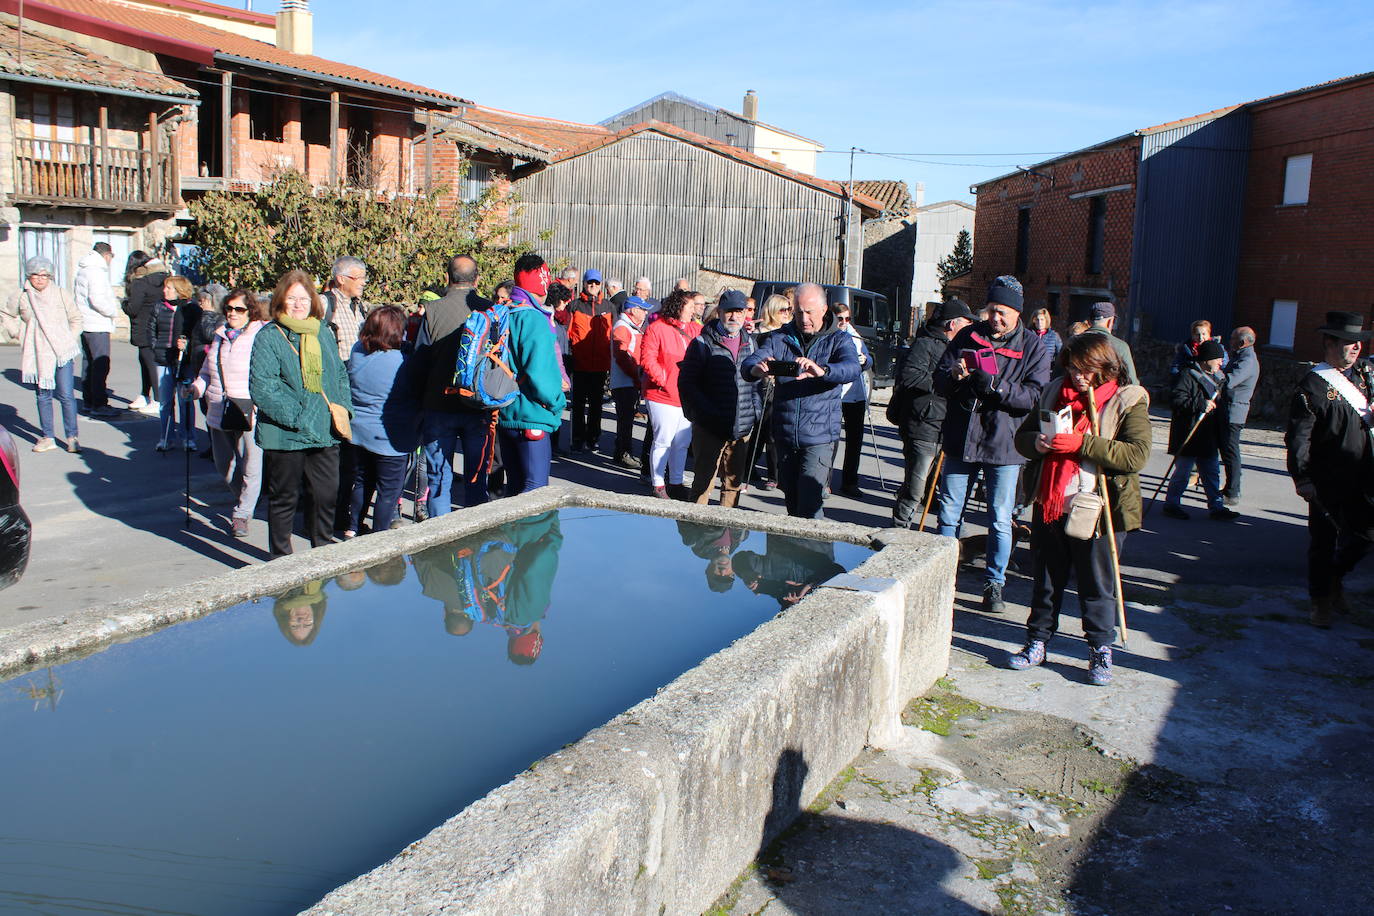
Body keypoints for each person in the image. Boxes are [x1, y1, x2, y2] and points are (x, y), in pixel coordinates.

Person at [1008, 333, 1151, 686]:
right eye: (1073, 368)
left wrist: (1083, 443)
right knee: (1046, 579)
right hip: (1051, 500)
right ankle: (1037, 641)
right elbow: (1022, 438)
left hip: (1098, 507)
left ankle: (1100, 649)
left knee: (1096, 582)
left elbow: (1136, 455)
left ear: (1105, 366)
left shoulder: (1127, 399)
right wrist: (1038, 444)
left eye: (1085, 370)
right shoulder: (1055, 391)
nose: (1078, 377)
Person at [933, 275, 1052, 613]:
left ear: (1017, 313)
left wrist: (995, 386)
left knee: (1000, 518)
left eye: (1002, 312)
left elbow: (1034, 396)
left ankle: (994, 583)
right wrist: (953, 376)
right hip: (963, 438)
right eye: (990, 311)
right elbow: (939, 381)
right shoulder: (968, 336)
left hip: (1004, 442)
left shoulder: (1033, 348)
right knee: (949, 512)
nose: (994, 318)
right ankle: (941, 575)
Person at [249, 269, 352, 558]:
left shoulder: (322, 332)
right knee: (284, 499)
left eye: (303, 298)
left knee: (325, 496)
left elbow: (340, 374)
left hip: (325, 430)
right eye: (292, 298)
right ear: (281, 300)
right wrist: (301, 417)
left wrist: (345, 407)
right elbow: (263, 387)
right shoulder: (269, 336)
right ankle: (281, 561)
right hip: (286, 434)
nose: (298, 304)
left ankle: (320, 555)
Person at [741, 283, 861, 518]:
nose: (804, 318)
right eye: (799, 312)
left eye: (810, 312)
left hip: (819, 436)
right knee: (793, 504)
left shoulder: (838, 340)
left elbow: (852, 368)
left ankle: (815, 554)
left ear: (825, 310)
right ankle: (793, 553)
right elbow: (751, 361)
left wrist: (824, 371)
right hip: (785, 435)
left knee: (810, 505)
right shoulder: (780, 337)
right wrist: (756, 369)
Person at [1286, 312, 1374, 628]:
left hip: (1363, 475)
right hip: (1326, 478)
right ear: (1329, 343)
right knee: (1323, 543)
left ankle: (1336, 579)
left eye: (1358, 344)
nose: (1355, 350)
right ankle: (1320, 601)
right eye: (1349, 344)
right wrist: (1303, 477)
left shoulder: (1365, 378)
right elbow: (1299, 436)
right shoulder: (1314, 384)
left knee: (1366, 535)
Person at [414, 255, 495, 515]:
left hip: (438, 404)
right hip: (477, 403)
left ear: (446, 277)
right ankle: (473, 537)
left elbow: (419, 360)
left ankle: (440, 540)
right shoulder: (489, 309)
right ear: (477, 279)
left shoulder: (433, 310)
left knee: (439, 480)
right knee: (476, 478)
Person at [187, 288, 266, 538]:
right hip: (219, 408)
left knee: (252, 464)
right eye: (229, 309)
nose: (232, 313)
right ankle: (244, 498)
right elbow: (207, 373)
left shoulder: (260, 335)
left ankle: (242, 514)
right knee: (224, 465)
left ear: (249, 311)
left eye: (239, 309)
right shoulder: (220, 336)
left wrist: (260, 401)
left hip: (248, 409)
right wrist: (196, 389)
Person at [889, 298, 974, 527]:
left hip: (945, 425)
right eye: (966, 324)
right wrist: (947, 381)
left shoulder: (958, 348)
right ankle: (899, 529)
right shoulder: (925, 344)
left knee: (934, 487)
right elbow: (910, 376)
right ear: (952, 325)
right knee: (915, 488)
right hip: (923, 424)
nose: (969, 328)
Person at [680, 290, 759, 507]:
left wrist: (755, 412)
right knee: (703, 484)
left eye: (739, 312)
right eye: (729, 312)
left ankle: (726, 535)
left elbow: (757, 384)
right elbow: (687, 384)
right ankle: (698, 536)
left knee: (733, 484)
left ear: (745, 314)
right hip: (709, 427)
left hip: (741, 427)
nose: (734, 317)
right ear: (720, 312)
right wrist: (705, 413)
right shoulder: (701, 343)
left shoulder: (751, 344)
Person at [497, 254, 566, 494]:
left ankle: (513, 533)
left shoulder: (506, 311)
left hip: (506, 412)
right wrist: (558, 402)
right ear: (543, 283)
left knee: (514, 489)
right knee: (535, 493)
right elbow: (541, 374)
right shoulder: (534, 318)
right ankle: (532, 534)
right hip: (532, 415)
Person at [346, 305, 417, 536]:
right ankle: (378, 537)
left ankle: (352, 528)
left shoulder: (358, 351)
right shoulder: (401, 361)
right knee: (388, 491)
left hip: (358, 430)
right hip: (389, 436)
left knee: (362, 482)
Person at [2, 257, 82, 453]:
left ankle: (72, 437)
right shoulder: (23, 296)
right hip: (37, 351)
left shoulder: (61, 294)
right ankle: (48, 437)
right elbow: (6, 314)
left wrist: (68, 339)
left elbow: (76, 318)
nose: (40, 279)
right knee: (43, 395)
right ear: (29, 276)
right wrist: (18, 333)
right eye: (36, 274)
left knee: (65, 395)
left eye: (45, 275)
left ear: (50, 276)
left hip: (62, 352)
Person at [1162, 339, 1239, 521]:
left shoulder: (1218, 378)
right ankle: (1171, 504)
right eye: (1218, 359)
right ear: (1207, 359)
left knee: (1211, 472)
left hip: (1208, 435)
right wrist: (1199, 404)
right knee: (1183, 473)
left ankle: (1216, 506)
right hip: (1189, 434)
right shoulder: (1188, 375)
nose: (1221, 362)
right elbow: (1176, 400)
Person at [320, 256, 369, 534]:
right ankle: (328, 517)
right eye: (358, 277)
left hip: (354, 389)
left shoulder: (358, 305)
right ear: (341, 278)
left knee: (350, 460)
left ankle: (341, 515)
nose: (362, 282)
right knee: (333, 459)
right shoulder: (325, 303)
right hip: (333, 390)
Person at [639, 288, 702, 499]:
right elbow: (648, 359)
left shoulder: (695, 329)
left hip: (685, 396)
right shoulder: (657, 329)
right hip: (662, 395)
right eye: (691, 306)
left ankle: (676, 482)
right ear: (679, 306)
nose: (694, 310)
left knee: (682, 442)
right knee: (663, 439)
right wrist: (664, 381)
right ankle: (658, 483)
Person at [566, 268, 614, 453]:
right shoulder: (575, 305)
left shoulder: (608, 307)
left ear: (601, 285)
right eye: (590, 283)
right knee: (578, 404)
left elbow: (612, 336)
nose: (593, 286)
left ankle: (593, 438)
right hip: (580, 363)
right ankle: (577, 439)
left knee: (596, 405)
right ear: (584, 284)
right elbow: (569, 335)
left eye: (596, 283)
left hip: (600, 364)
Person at [73, 242, 120, 418]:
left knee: (89, 364)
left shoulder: (83, 269)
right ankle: (99, 404)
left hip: (86, 323)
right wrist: (112, 311)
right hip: (97, 323)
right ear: (106, 255)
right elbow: (97, 299)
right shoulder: (96, 272)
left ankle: (89, 401)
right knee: (100, 364)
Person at [832, 302, 872, 498]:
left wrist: (865, 360)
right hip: (836, 392)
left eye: (848, 319)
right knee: (831, 438)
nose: (844, 322)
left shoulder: (854, 335)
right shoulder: (829, 334)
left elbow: (868, 357)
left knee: (855, 440)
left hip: (856, 394)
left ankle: (850, 481)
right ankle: (824, 480)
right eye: (841, 319)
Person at [156, 275, 198, 452]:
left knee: (185, 400)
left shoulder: (192, 309)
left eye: (169, 288)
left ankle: (188, 437)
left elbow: (197, 334)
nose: (165, 291)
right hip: (164, 358)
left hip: (184, 360)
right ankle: (166, 437)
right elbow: (151, 329)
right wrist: (156, 347)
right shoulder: (159, 307)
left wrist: (187, 346)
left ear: (180, 291)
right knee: (165, 401)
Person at [123, 250, 168, 415]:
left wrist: (124, 304)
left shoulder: (140, 283)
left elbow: (133, 308)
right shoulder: (163, 278)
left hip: (142, 327)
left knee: (148, 363)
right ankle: (145, 395)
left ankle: (156, 398)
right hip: (158, 326)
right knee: (148, 362)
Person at [1220, 326, 1259, 507]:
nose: (1230, 342)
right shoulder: (1240, 357)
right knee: (1226, 450)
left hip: (1233, 412)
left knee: (1230, 452)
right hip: (1228, 410)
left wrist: (1214, 370)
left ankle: (1232, 491)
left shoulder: (1247, 361)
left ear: (1242, 342)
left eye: (1233, 339)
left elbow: (1229, 382)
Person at [610, 295, 649, 469]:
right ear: (633, 310)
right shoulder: (623, 327)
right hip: (625, 382)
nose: (646, 312)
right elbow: (622, 356)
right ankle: (624, 454)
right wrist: (635, 376)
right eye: (643, 309)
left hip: (629, 381)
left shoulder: (630, 327)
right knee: (625, 420)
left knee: (626, 420)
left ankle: (622, 453)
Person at [1078, 301, 1138, 385]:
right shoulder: (1120, 347)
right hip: (1109, 397)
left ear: (1089, 322)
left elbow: (1057, 378)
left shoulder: (1072, 343)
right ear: (1110, 322)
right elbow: (1132, 383)